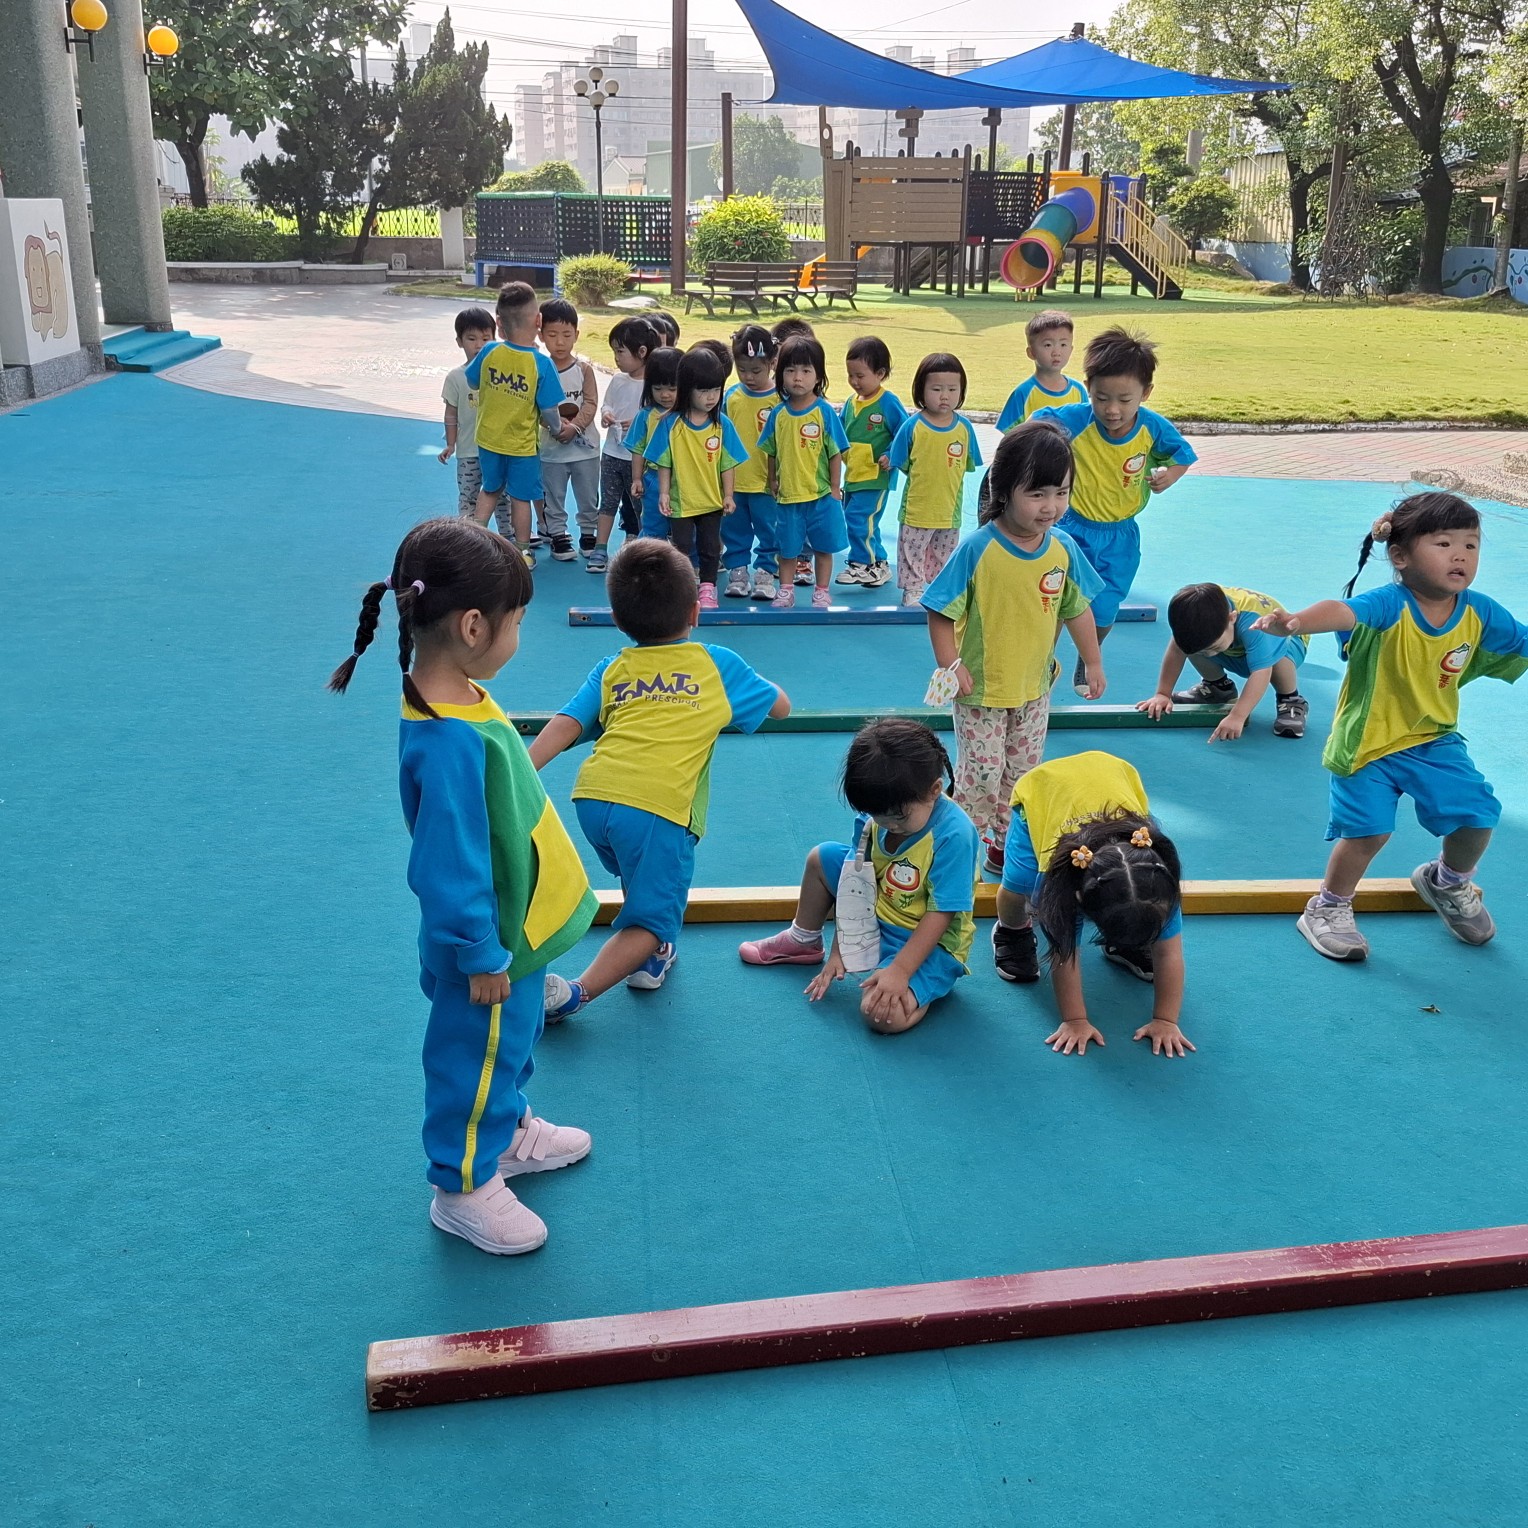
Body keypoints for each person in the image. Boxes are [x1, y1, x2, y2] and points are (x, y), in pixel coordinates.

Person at [327, 517, 598, 1255]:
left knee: (509, 1046)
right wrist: (478, 952)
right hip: (488, 943)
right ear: (474, 626)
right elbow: (448, 861)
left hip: (513, 931)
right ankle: (462, 1185)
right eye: (518, 623)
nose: (518, 637)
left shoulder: (461, 696)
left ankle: (504, 1134)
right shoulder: (445, 737)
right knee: (472, 1059)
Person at [1251, 491, 1528, 962]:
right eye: (1444, 543)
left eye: (1471, 544)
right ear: (1400, 557)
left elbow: (1521, 641)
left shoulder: (1479, 610)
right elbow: (1343, 611)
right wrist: (1295, 623)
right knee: (1368, 834)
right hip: (1368, 742)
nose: (1461, 555)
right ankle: (1327, 908)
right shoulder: (1389, 603)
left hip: (1433, 737)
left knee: (1478, 815)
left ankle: (1447, 881)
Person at [532, 540, 789, 1017]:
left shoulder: (613, 667)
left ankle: (651, 959)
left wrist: (523, 771)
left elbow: (568, 723)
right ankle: (577, 992)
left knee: (641, 875)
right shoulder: (718, 663)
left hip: (592, 799)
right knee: (651, 919)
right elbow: (781, 707)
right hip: (657, 807)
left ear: (617, 617)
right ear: (695, 611)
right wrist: (757, 686)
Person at [924, 421, 1105, 874]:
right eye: (1037, 494)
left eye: (1061, 493)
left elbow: (1077, 608)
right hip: (982, 690)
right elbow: (939, 610)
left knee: (1023, 772)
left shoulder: (1062, 548)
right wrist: (951, 665)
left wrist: (1092, 660)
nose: (1051, 506)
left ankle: (1005, 844)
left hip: (1034, 687)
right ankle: (958, 847)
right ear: (1003, 490)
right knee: (981, 776)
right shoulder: (978, 549)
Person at [739, 719, 978, 1035]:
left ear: (934, 790)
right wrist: (841, 950)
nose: (888, 824)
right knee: (822, 858)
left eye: (899, 817)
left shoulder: (954, 835)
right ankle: (804, 940)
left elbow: (942, 913)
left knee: (880, 1016)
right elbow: (854, 885)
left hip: (926, 939)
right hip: (875, 911)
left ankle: (926, 984)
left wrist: (900, 970)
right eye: (879, 815)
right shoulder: (876, 810)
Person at [993, 751, 1193, 1059]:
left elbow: (1169, 953)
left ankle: (1127, 938)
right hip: (1041, 791)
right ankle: (1010, 929)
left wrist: (1166, 1020)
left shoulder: (1157, 884)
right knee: (1019, 883)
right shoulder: (1059, 886)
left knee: (1137, 918)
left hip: (1113, 775)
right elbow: (1065, 955)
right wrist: (1075, 1020)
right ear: (1080, 900)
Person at [1033, 326, 1197, 694]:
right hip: (1070, 528)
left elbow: (1181, 455)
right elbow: (1037, 424)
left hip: (1120, 536)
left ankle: (1088, 655)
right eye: (1101, 397)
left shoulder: (1152, 428)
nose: (1112, 409)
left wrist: (1169, 476)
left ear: (1145, 394)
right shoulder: (1076, 420)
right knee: (1054, 596)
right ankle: (1042, 660)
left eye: (1124, 399)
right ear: (1088, 388)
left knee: (1105, 607)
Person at [461, 281, 566, 569]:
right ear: (538, 321)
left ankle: (472, 543)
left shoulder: (489, 351)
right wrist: (557, 428)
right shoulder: (541, 364)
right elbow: (550, 409)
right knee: (521, 498)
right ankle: (522, 552)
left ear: (499, 322)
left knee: (489, 489)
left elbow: (472, 381)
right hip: (521, 447)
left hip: (488, 440)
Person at [1136, 583, 1310, 741]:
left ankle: (1290, 699)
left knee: (1278, 658)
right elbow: (1176, 650)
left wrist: (1237, 716)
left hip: (1287, 642)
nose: (1210, 655)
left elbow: (1261, 672)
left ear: (1232, 618)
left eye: (1214, 647)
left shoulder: (1254, 625)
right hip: (1235, 648)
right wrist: (1163, 694)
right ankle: (1218, 688)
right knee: (1194, 646)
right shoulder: (1190, 619)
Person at [758, 335, 850, 609]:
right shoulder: (778, 414)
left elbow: (835, 452)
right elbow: (771, 451)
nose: (798, 378)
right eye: (790, 370)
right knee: (787, 548)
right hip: (788, 498)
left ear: (818, 376)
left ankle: (822, 590)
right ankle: (785, 590)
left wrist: (835, 488)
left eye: (806, 371)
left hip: (820, 496)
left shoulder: (824, 412)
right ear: (780, 375)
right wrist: (772, 480)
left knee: (823, 547)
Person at [651, 348, 748, 608]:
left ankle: (708, 587)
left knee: (710, 548)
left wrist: (729, 495)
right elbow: (664, 462)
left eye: (716, 390)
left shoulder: (722, 425)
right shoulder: (670, 424)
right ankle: (682, 587)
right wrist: (663, 493)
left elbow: (728, 464)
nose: (711, 397)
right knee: (681, 545)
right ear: (687, 389)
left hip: (711, 501)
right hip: (681, 501)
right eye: (703, 391)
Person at [887, 352, 982, 607]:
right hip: (917, 509)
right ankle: (913, 589)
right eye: (936, 389)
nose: (944, 396)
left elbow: (967, 465)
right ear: (921, 390)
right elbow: (901, 462)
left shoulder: (964, 429)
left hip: (949, 510)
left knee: (945, 553)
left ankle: (940, 590)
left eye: (952, 389)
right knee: (912, 550)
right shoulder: (913, 426)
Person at [588, 316, 659, 574]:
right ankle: (600, 548)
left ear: (642, 352)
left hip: (637, 459)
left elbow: (657, 416)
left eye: (620, 351)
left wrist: (639, 422)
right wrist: (606, 414)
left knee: (641, 505)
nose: (616, 358)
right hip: (611, 453)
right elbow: (607, 403)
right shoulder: (618, 380)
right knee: (607, 502)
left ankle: (644, 549)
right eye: (614, 352)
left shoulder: (653, 386)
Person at [838, 335, 909, 589]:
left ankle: (861, 564)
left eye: (860, 375)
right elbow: (839, 432)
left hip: (876, 476)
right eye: (850, 375)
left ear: (880, 374)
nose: (854, 381)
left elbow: (905, 431)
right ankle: (879, 564)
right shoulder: (850, 403)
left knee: (858, 518)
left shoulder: (888, 402)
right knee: (866, 522)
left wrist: (892, 454)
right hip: (854, 474)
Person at [721, 325, 782, 602]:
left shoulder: (780, 399)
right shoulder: (731, 396)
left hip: (767, 482)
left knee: (770, 530)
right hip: (734, 482)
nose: (748, 377)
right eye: (742, 369)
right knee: (734, 529)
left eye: (756, 371)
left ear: (772, 363)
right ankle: (738, 572)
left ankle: (766, 573)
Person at [535, 297, 598, 563]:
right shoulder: (539, 369)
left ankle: (589, 533)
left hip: (585, 450)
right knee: (553, 495)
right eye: (552, 335)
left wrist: (574, 427)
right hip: (552, 450)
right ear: (541, 335)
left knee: (588, 494)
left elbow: (591, 402)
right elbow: (535, 406)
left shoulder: (583, 369)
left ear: (576, 335)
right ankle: (558, 535)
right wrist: (555, 426)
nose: (559, 342)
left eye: (566, 335)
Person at [439, 306, 511, 538]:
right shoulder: (455, 377)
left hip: (498, 449)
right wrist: (451, 444)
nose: (479, 345)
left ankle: (508, 538)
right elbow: (451, 413)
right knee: (468, 496)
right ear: (459, 342)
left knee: (503, 496)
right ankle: (468, 538)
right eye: (471, 339)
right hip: (469, 451)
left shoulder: (502, 374)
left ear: (494, 339)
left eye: (485, 338)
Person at [624, 345, 682, 541]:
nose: (665, 394)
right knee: (653, 527)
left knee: (687, 532)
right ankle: (649, 557)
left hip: (686, 479)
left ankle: (691, 559)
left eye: (672, 389)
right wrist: (637, 479)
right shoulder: (646, 415)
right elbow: (637, 450)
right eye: (658, 389)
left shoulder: (690, 415)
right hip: (654, 479)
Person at [996, 309, 1088, 429]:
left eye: (1063, 345)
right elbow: (1009, 435)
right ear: (1031, 352)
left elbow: (1087, 428)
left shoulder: (1079, 391)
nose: (1057, 352)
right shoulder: (1022, 393)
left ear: (1071, 350)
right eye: (1048, 345)